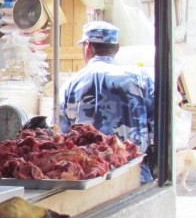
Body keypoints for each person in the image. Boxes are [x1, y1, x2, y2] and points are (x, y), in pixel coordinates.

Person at [59, 21, 156, 183]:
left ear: (87, 47)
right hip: (134, 172)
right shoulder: (141, 78)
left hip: (90, 178)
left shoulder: (71, 84)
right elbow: (157, 126)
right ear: (117, 48)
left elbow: (62, 135)